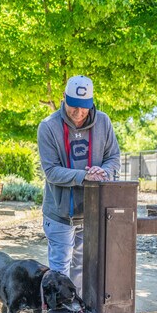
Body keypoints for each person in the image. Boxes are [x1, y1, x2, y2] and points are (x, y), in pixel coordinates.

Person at [37, 75, 121, 294]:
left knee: (83, 269)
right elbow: (51, 171)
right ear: (63, 97)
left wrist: (105, 172)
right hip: (59, 213)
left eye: (84, 107)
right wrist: (84, 176)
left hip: (91, 212)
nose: (79, 113)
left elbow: (113, 157)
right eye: (74, 106)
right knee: (60, 272)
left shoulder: (103, 121)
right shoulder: (48, 127)